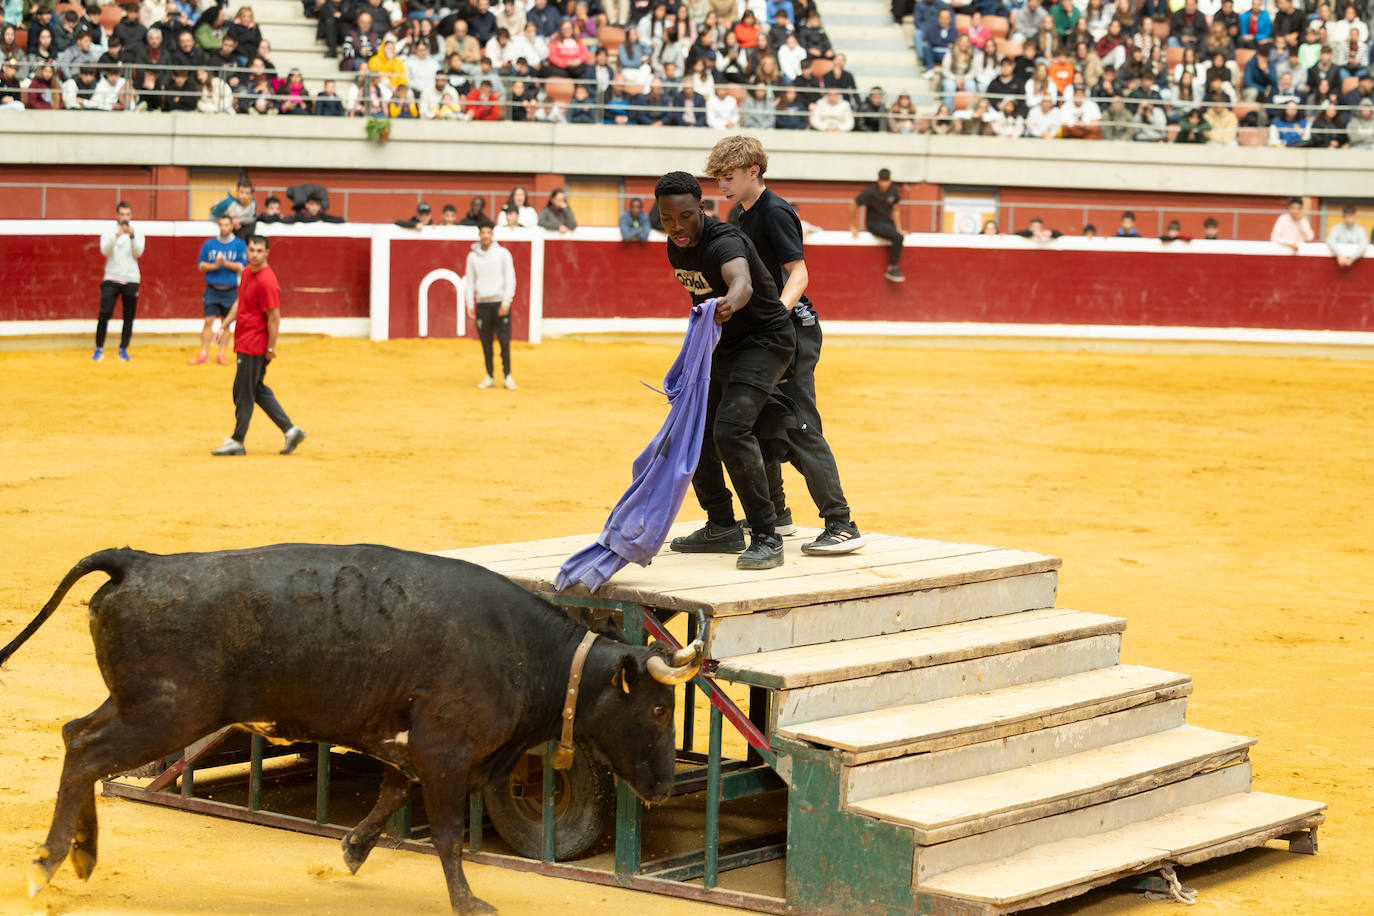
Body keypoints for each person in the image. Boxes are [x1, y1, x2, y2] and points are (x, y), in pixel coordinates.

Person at [706, 135, 865, 555]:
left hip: (790, 328)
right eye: (717, 177)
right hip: (769, 330)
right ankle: (776, 513)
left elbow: (799, 273)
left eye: (728, 176)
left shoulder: (775, 211)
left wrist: (775, 318)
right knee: (757, 418)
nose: (721, 185)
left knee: (799, 422)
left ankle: (841, 522)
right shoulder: (738, 216)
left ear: (753, 171)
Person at [657, 170, 795, 570]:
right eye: (668, 220)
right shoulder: (675, 245)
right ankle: (721, 525)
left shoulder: (725, 241)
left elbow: (742, 282)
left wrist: (731, 301)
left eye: (684, 217)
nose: (677, 227)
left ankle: (767, 534)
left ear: (702, 207)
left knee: (731, 430)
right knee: (693, 425)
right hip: (724, 345)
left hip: (765, 341)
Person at [211, 236, 307, 456]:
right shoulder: (246, 272)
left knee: (244, 391)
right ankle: (291, 430)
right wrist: (225, 324)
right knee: (255, 389)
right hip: (244, 340)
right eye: (251, 250)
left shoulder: (267, 281)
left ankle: (237, 439)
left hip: (255, 345)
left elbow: (274, 317)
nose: (254, 254)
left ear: (267, 253)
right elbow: (240, 301)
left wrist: (271, 348)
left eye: (259, 251)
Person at [464, 220, 518, 390]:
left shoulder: (503, 254)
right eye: (483, 233)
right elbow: (470, 281)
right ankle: (490, 375)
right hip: (483, 305)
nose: (486, 236)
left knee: (504, 342)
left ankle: (507, 376)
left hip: (499, 303)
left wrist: (506, 301)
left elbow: (510, 278)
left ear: (492, 235)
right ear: (479, 235)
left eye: (488, 232)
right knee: (486, 343)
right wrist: (469, 303)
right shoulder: (472, 257)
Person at [191, 213, 248, 366]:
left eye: (226, 225)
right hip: (212, 288)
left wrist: (224, 263)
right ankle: (204, 353)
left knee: (226, 323)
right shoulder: (209, 244)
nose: (223, 228)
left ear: (232, 226)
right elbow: (201, 265)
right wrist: (216, 265)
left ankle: (221, 354)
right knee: (208, 320)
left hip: (230, 290)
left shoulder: (239, 244)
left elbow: (242, 267)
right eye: (221, 225)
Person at [94, 201, 145, 362]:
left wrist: (131, 236)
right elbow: (104, 251)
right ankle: (99, 348)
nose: (125, 218)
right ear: (116, 215)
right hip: (111, 277)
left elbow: (138, 253)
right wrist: (117, 235)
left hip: (131, 279)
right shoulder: (109, 231)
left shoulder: (137, 232)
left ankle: (123, 349)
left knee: (128, 317)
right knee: (104, 314)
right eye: (122, 214)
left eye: (127, 215)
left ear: (131, 215)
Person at [849, 168, 905, 282]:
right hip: (874, 224)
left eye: (886, 181)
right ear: (878, 180)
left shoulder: (894, 190)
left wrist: (899, 228)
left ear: (890, 181)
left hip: (888, 223)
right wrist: (852, 226)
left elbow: (896, 210)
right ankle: (891, 267)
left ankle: (892, 267)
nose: (884, 184)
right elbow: (854, 203)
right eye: (881, 181)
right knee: (898, 238)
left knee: (898, 235)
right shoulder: (870, 191)